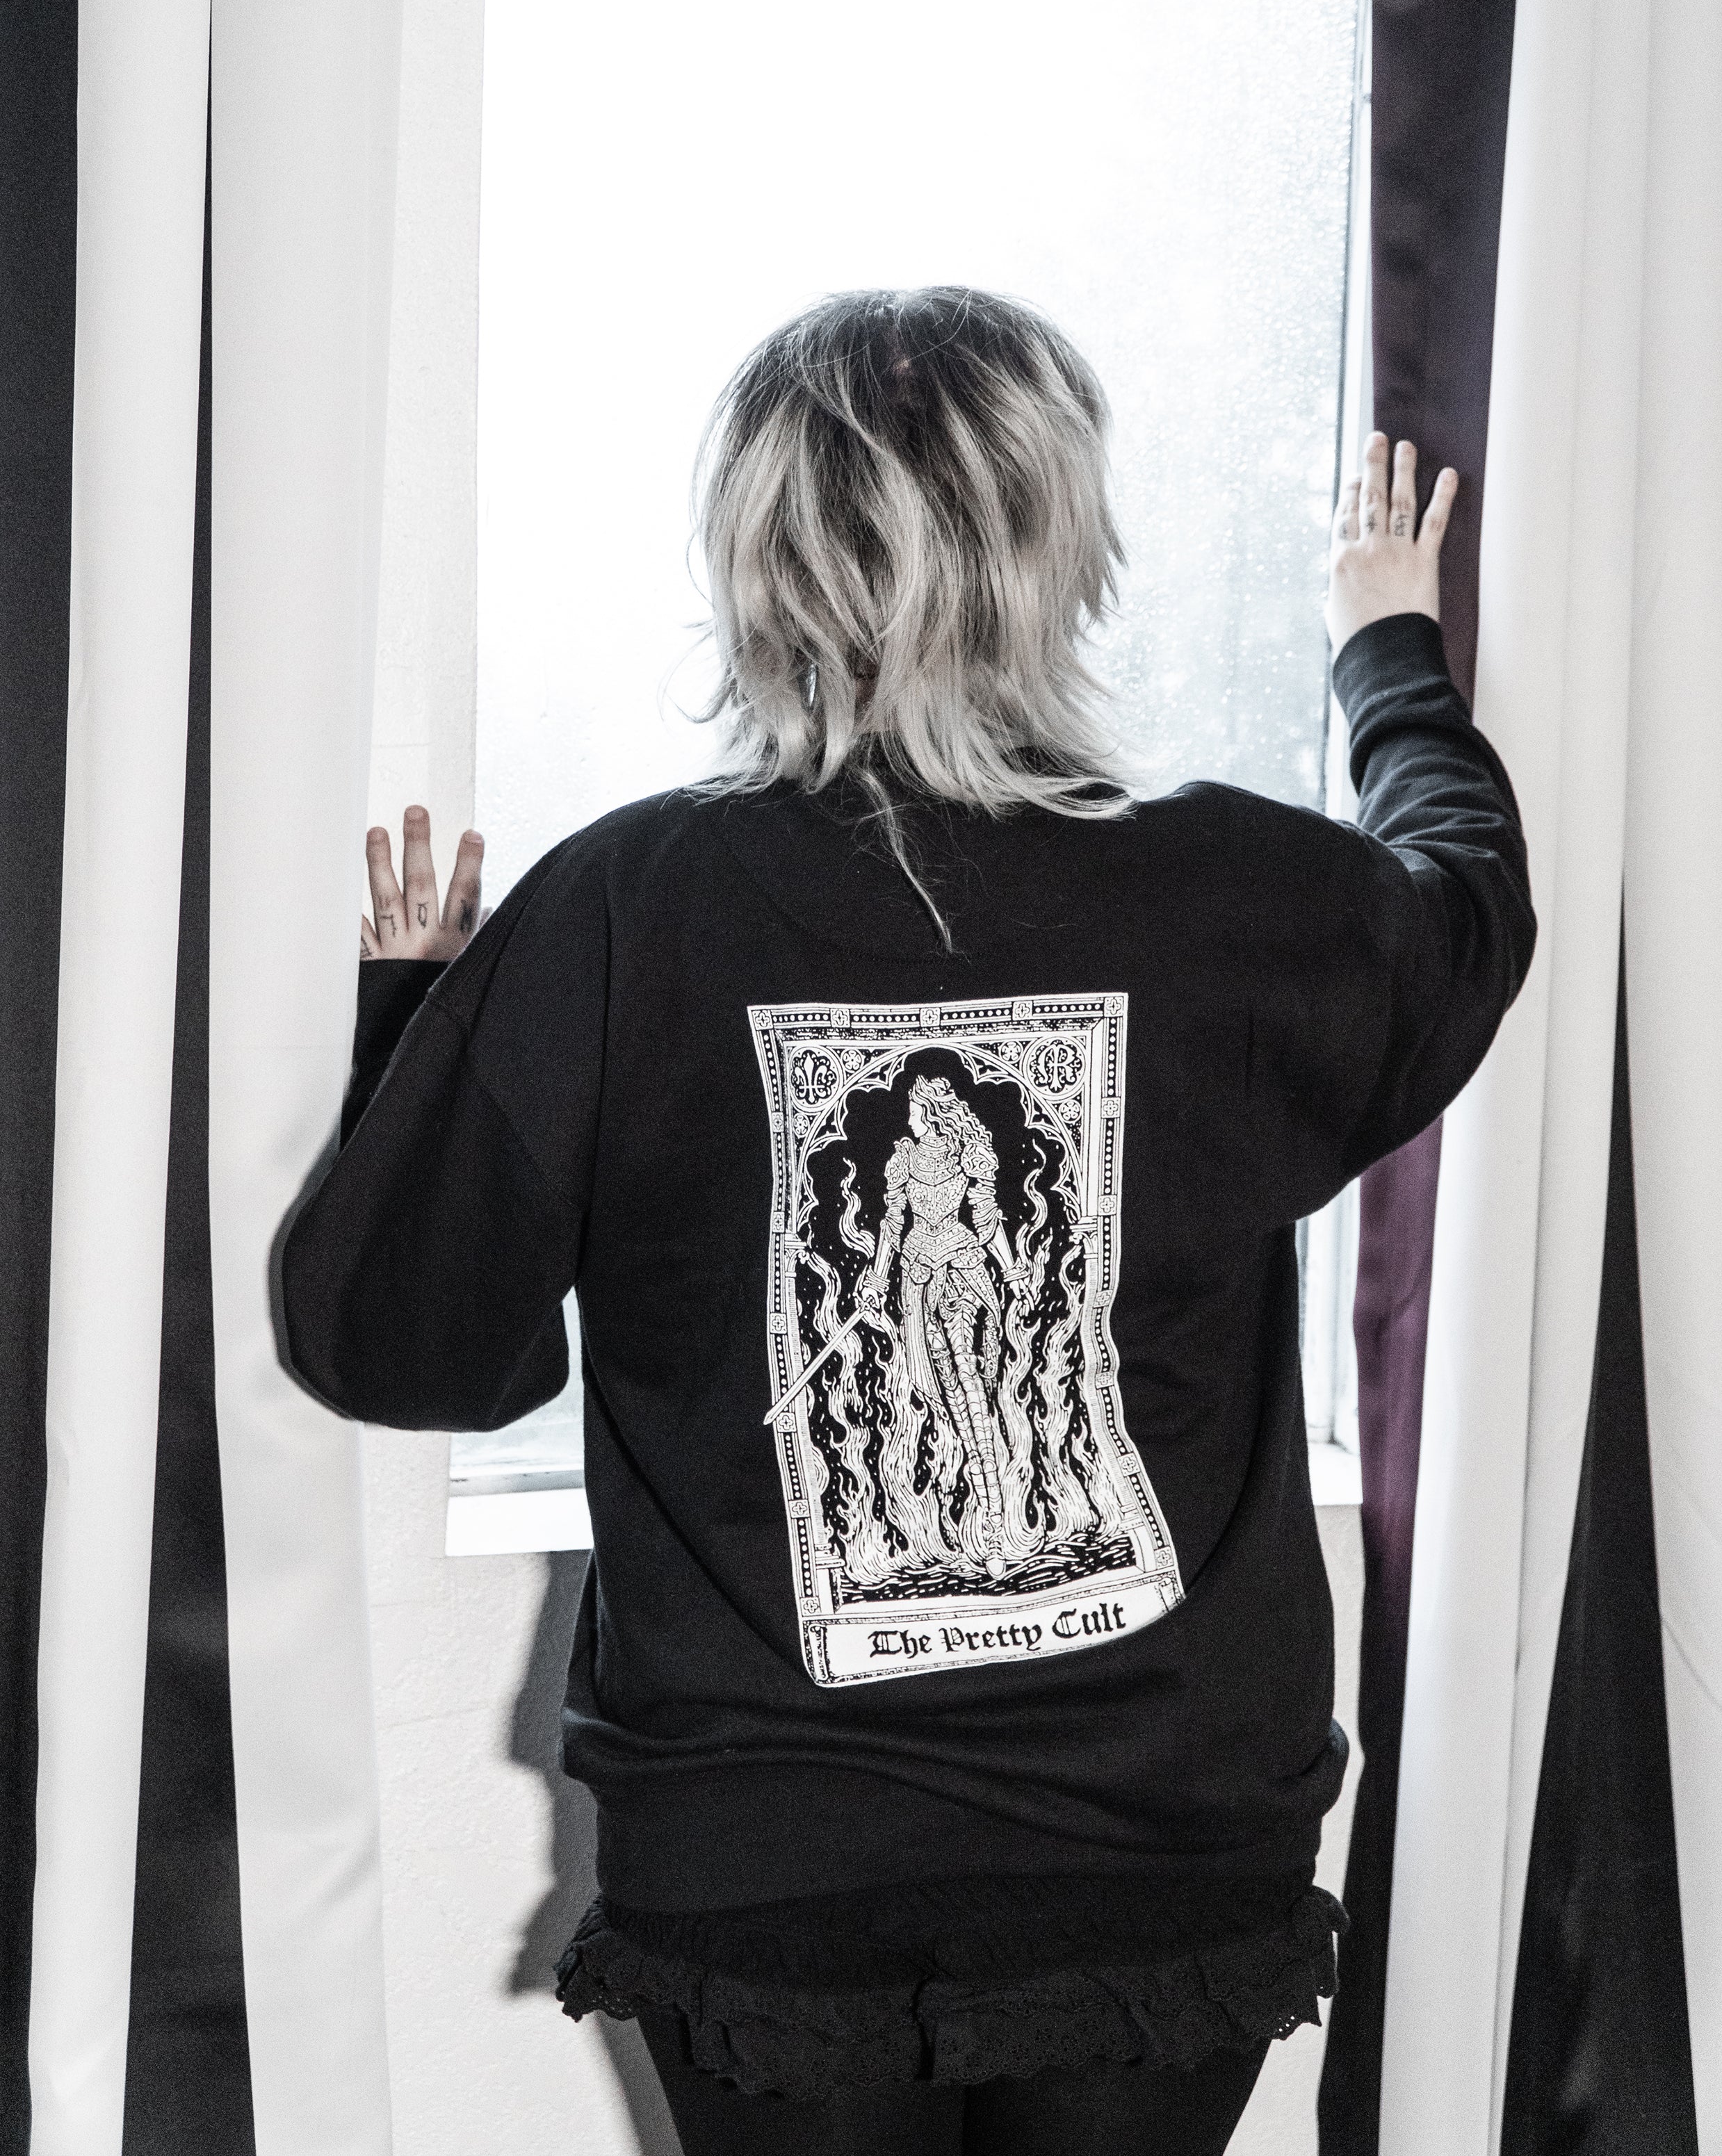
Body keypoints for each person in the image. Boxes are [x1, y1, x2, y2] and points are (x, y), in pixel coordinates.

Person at [281, 288, 1534, 2156]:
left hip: (770, 1852)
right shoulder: (1242, 894)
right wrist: (1389, 659)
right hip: (1163, 1842)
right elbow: (1470, 906)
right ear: (1061, 544)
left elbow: (413, 1342)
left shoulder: (625, 909)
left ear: (756, 562)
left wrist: (423, 1026)